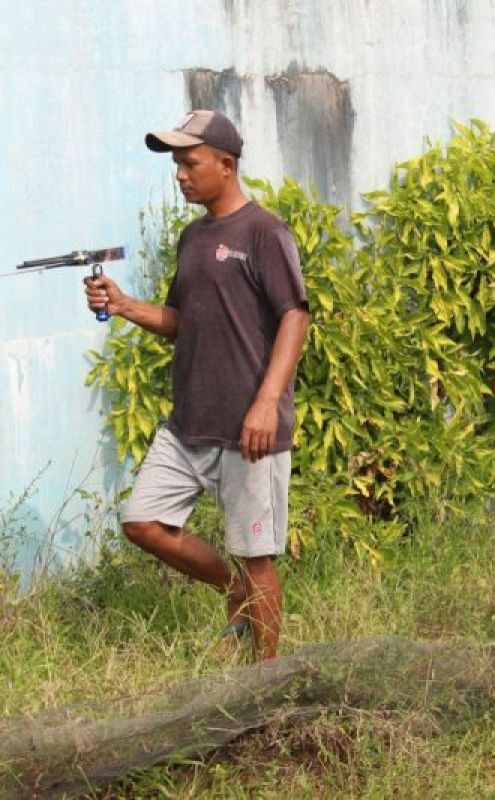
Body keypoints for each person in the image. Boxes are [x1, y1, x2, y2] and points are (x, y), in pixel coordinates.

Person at [84, 110, 309, 661]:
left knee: (257, 556)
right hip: (190, 423)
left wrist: (265, 403)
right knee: (142, 522)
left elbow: (295, 317)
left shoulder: (264, 232)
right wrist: (125, 304)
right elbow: (184, 321)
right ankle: (231, 593)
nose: (180, 175)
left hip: (249, 429)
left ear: (226, 165)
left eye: (190, 162)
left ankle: (267, 679)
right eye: (176, 165)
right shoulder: (193, 236)